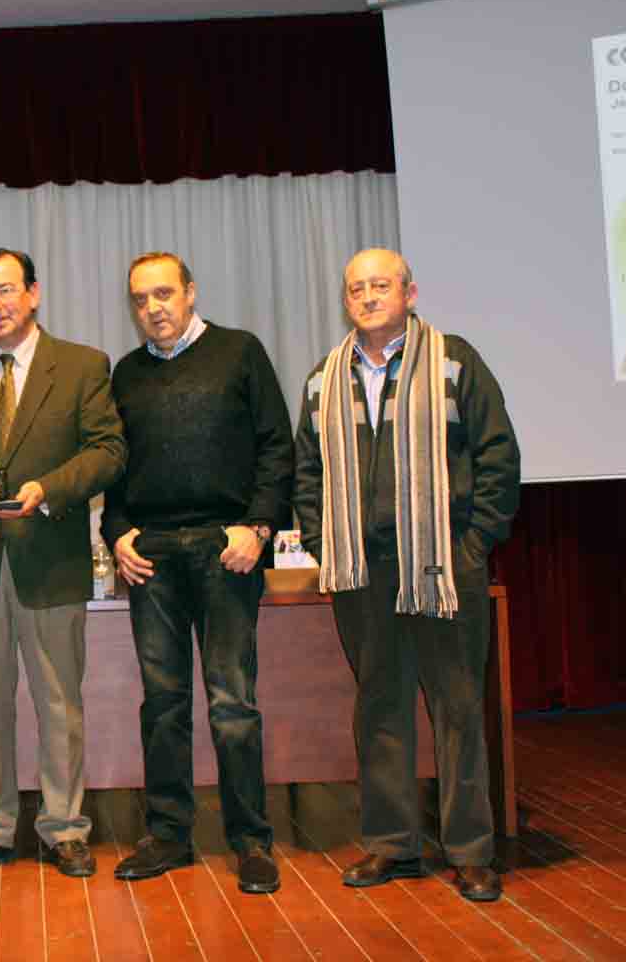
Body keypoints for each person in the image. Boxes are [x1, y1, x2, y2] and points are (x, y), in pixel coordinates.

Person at [294, 248, 520, 903]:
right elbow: (308, 473)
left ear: (410, 292)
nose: (367, 296)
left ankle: (472, 851)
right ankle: (393, 846)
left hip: (444, 567)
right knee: (380, 711)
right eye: (356, 288)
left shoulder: (455, 362)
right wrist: (320, 542)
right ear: (346, 300)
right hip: (363, 574)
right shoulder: (322, 378)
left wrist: (473, 545)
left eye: (381, 285)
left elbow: (498, 455)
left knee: (456, 709)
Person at [0, 247, 126, 878]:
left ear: (33, 293)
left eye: (6, 290)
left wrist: (50, 488)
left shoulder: (83, 365)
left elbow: (108, 450)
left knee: (59, 702)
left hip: (50, 559)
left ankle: (65, 828)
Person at [100, 252, 293, 891]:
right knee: (162, 704)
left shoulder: (240, 352)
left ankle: (251, 842)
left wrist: (258, 527)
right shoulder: (125, 375)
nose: (152, 307)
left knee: (233, 704)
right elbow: (113, 465)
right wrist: (115, 531)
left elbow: (275, 447)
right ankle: (168, 836)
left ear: (190, 292)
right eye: (139, 299)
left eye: (163, 294)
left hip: (225, 547)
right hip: (149, 553)